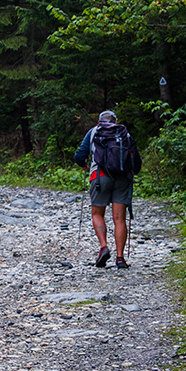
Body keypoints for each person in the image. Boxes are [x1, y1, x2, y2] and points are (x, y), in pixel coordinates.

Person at [73, 110, 140, 269]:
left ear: (99, 121)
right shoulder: (125, 133)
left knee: (97, 213)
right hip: (123, 178)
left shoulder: (94, 132)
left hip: (99, 177)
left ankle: (104, 247)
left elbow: (79, 155)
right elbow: (136, 161)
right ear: (116, 120)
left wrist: (84, 166)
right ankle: (120, 258)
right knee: (119, 219)